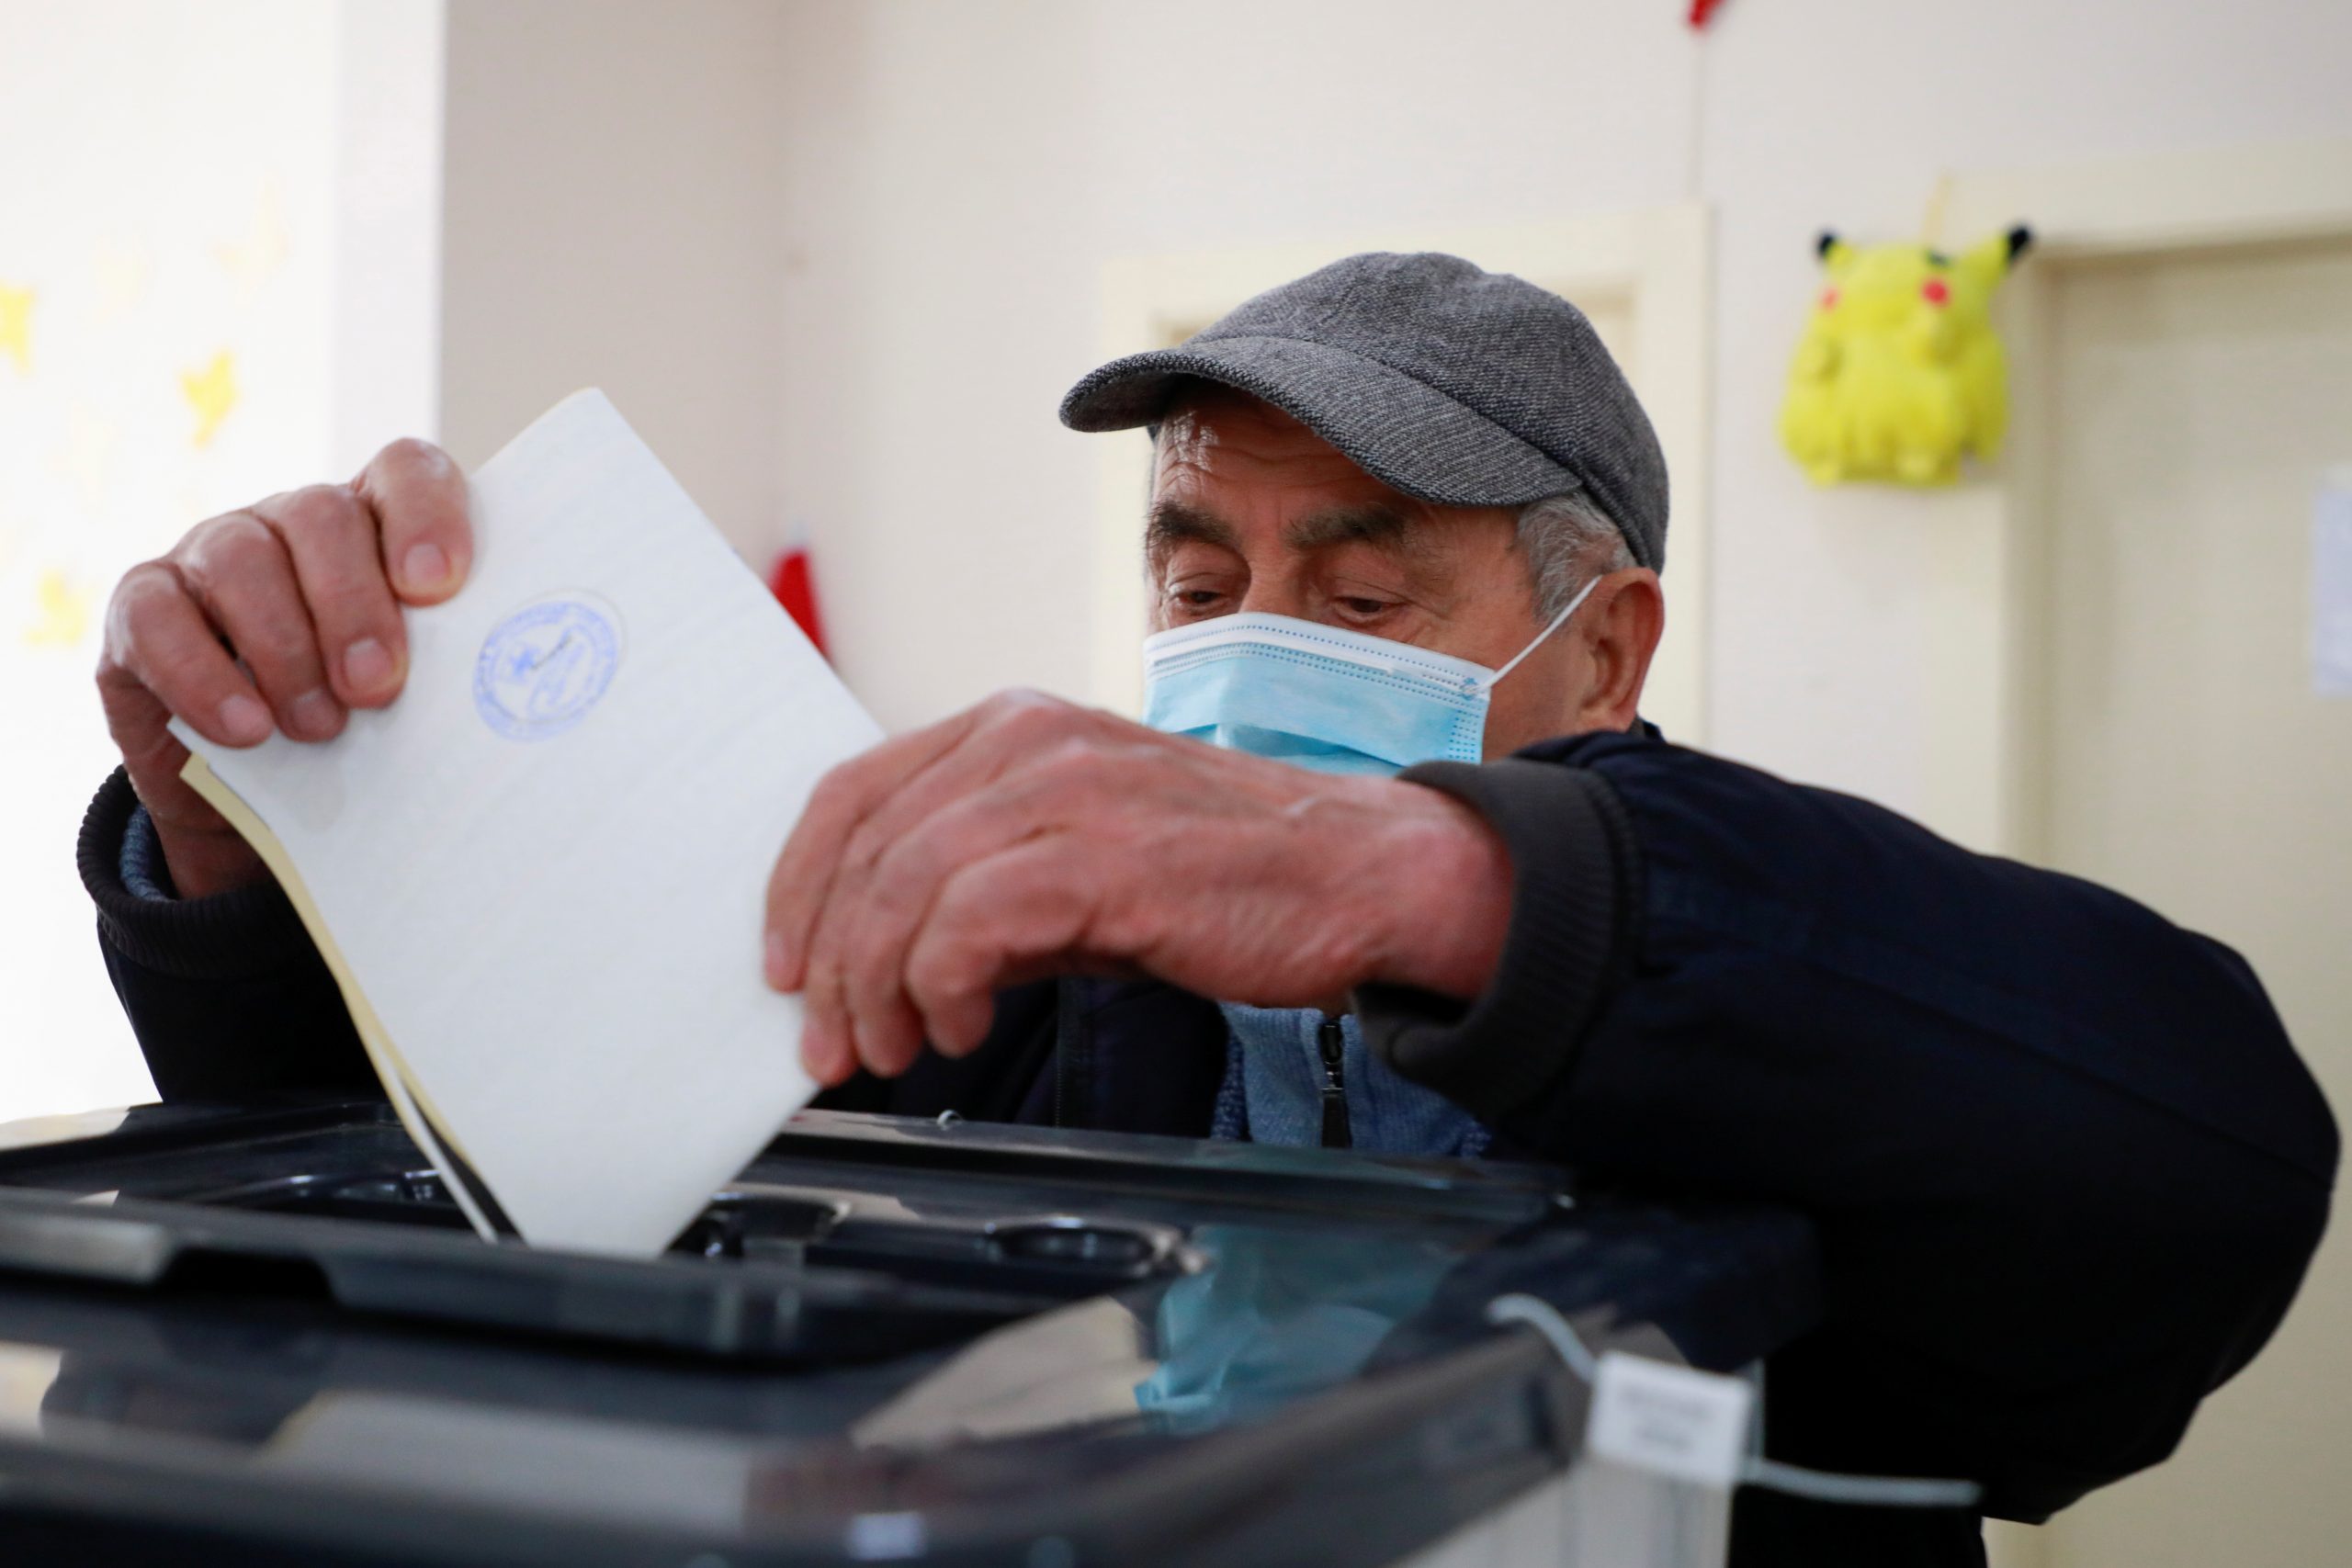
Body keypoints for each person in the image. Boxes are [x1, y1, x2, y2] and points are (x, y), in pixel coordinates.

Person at [79, 253, 2335, 1565]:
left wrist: (1417, 874)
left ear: (1608, 651)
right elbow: (475, 1224)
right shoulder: (999, 950)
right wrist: (265, 816)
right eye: (1196, 577)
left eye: (1363, 585)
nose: (1255, 636)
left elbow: (2201, 1145)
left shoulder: (1796, 972)